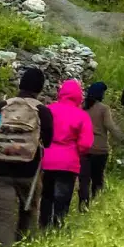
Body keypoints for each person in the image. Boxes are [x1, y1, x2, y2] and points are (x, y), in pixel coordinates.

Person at [0, 68, 54, 247]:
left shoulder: (1, 106)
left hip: (1, 171)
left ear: (20, 84)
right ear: (40, 88)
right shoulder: (42, 111)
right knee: (28, 213)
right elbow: (49, 141)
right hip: (29, 173)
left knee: (3, 220)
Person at [40, 79, 93, 228]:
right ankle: (58, 226)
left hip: (47, 160)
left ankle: (44, 226)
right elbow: (85, 144)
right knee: (62, 197)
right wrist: (78, 151)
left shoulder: (49, 109)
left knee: (46, 195)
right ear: (78, 96)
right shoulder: (82, 115)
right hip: (68, 162)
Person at [79, 81, 122, 210]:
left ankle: (83, 206)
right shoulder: (103, 109)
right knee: (97, 179)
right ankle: (97, 205)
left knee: (84, 180)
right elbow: (110, 126)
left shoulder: (82, 107)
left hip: (84, 149)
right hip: (100, 149)